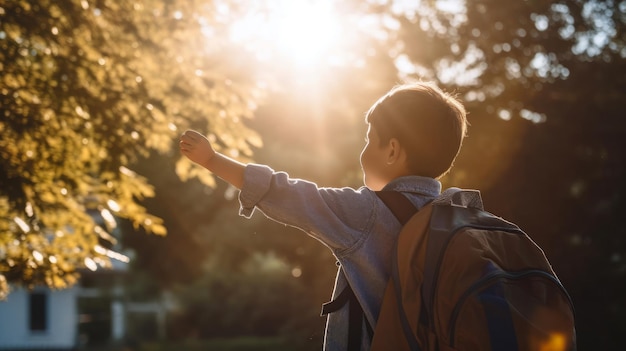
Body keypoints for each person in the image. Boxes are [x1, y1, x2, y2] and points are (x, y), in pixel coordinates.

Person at [179, 81, 468, 351]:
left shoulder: (368, 212)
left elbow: (289, 194)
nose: (363, 151)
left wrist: (212, 159)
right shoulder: (459, 216)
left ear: (392, 151)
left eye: (369, 140)